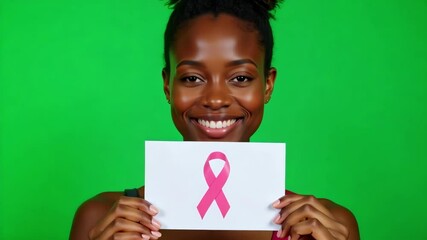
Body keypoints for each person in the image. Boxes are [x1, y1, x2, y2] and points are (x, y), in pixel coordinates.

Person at [70, 0, 360, 239]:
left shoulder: (328, 227)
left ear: (267, 85)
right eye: (192, 78)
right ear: (168, 86)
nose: (216, 98)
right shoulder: (100, 220)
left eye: (241, 78)